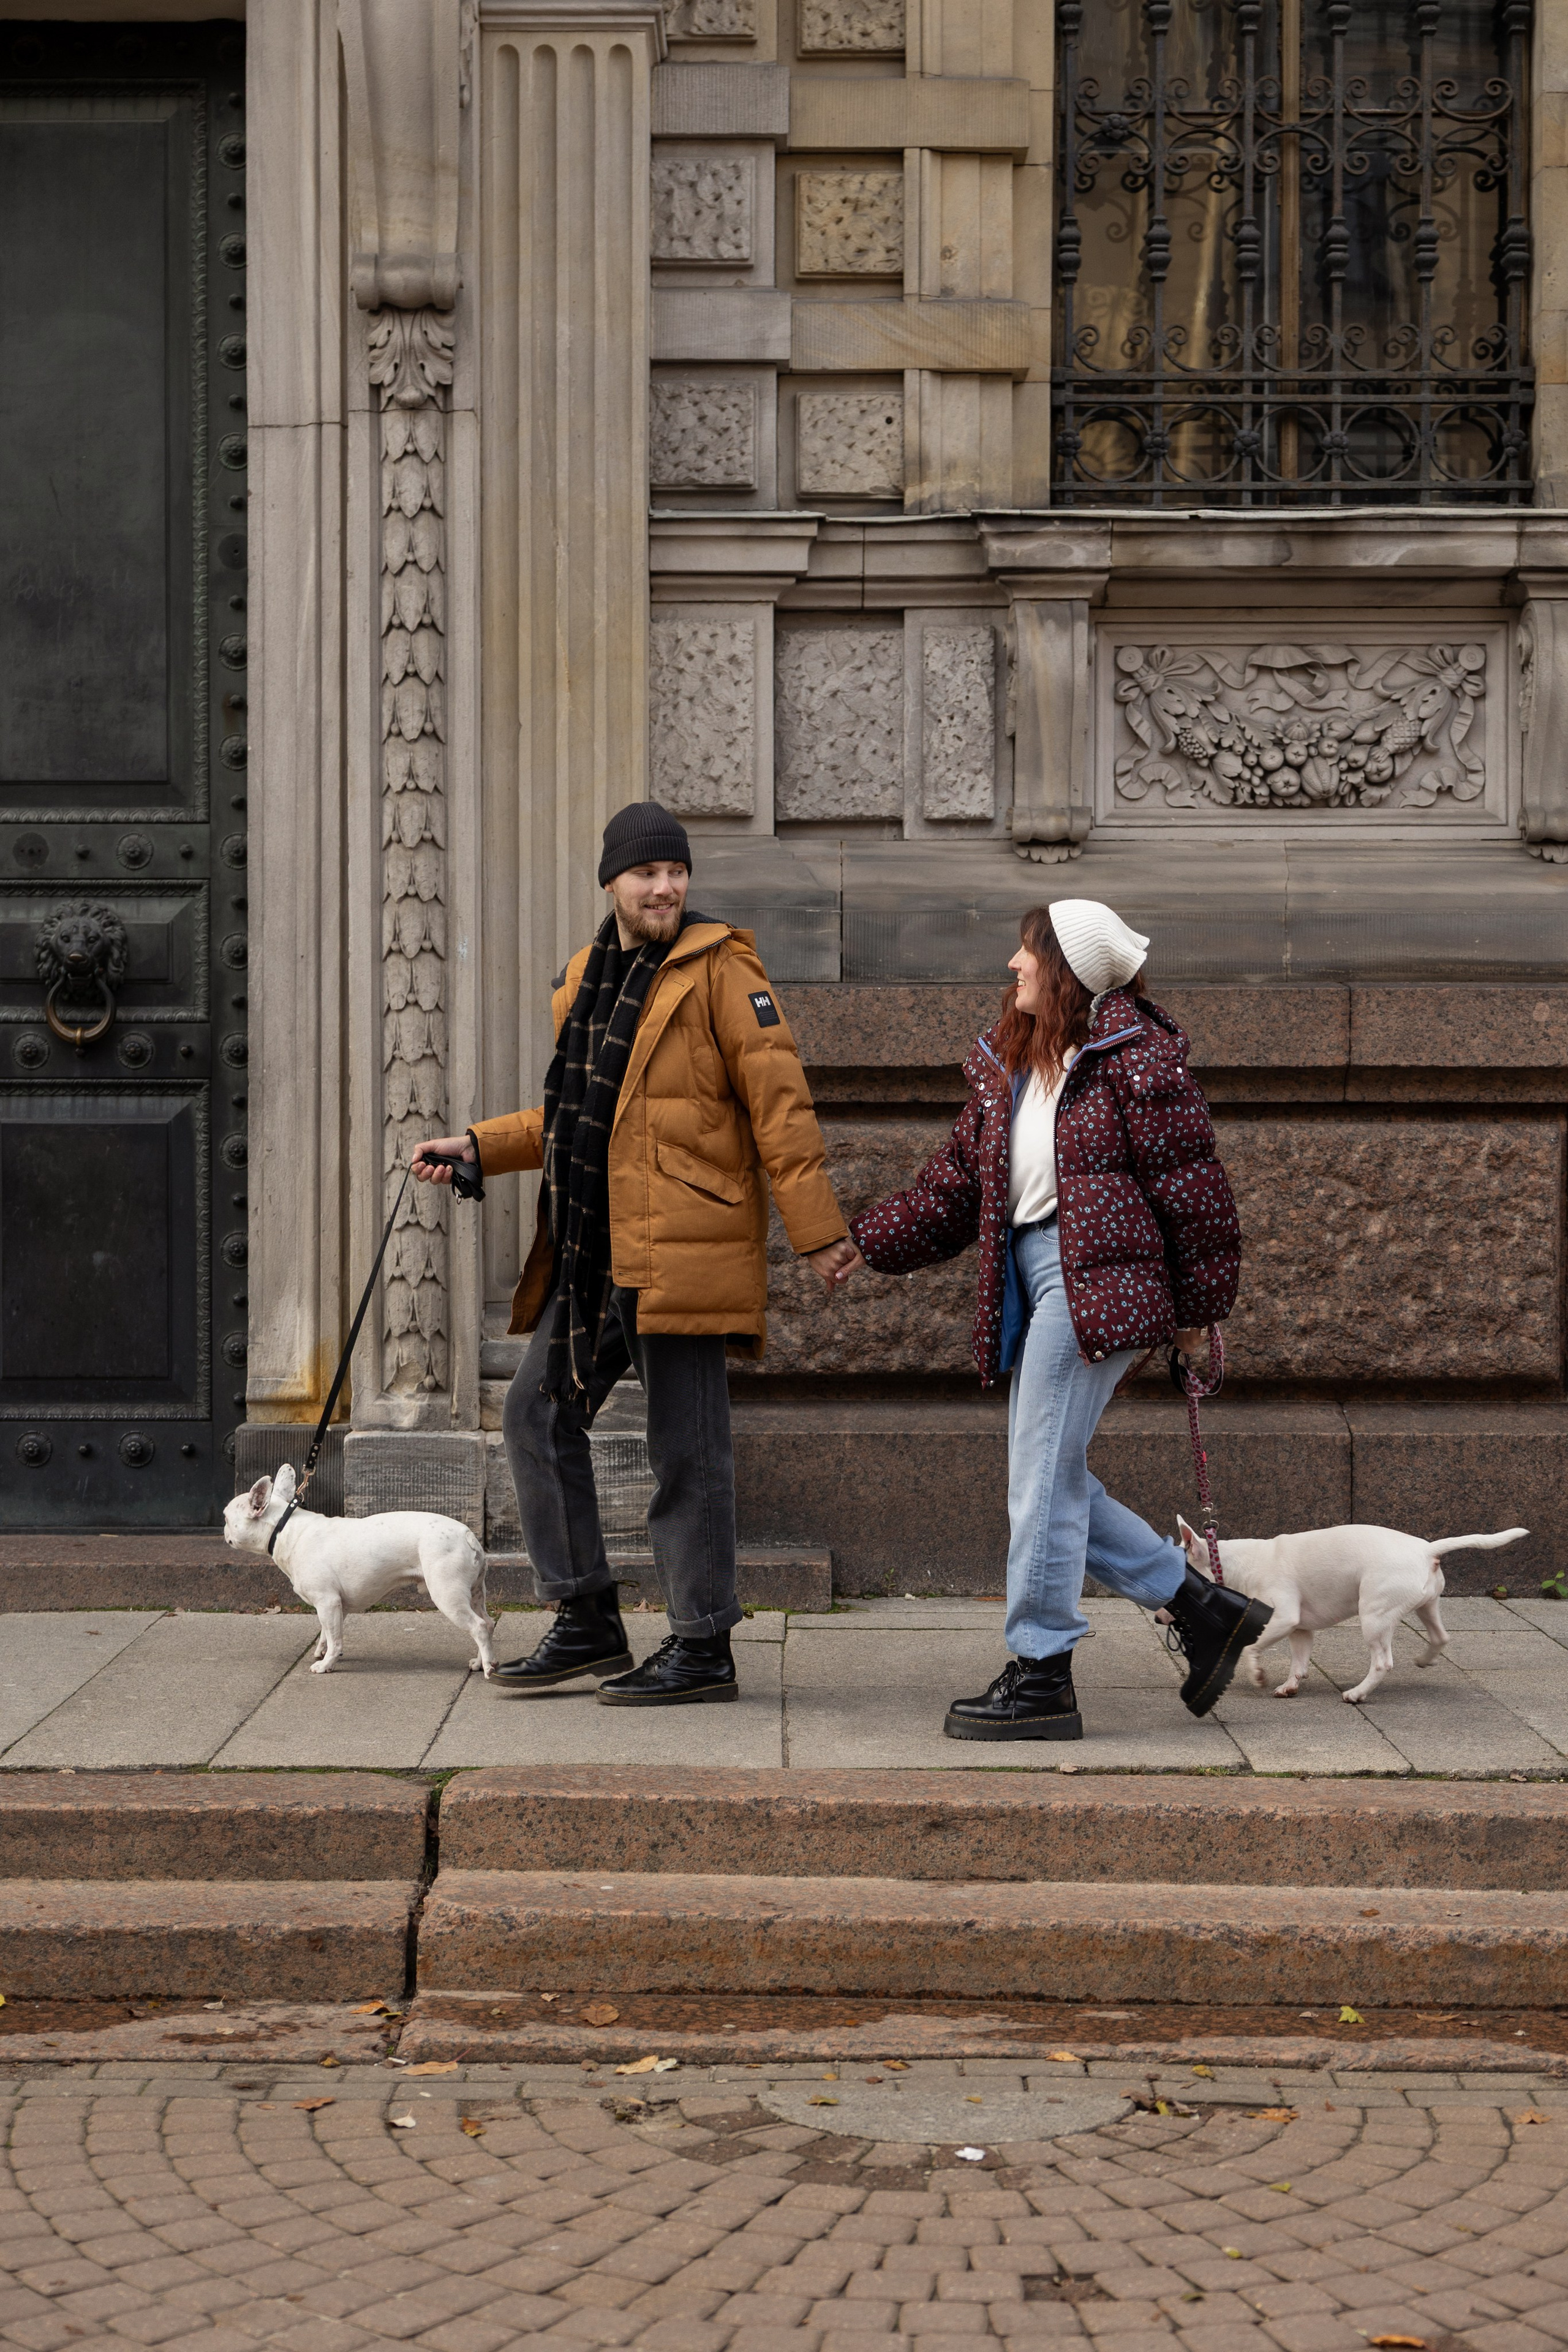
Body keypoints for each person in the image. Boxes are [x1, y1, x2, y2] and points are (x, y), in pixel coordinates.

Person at [413, 800, 858, 1707]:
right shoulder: (586, 978)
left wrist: (818, 1231)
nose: (665, 887)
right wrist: (483, 1145)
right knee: (535, 1416)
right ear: (612, 882)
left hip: (685, 1245)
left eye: (676, 872)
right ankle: (587, 1619)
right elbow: (582, 1116)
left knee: (685, 1448)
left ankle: (702, 1645)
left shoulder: (723, 970)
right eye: (647, 873)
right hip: (594, 1249)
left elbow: (781, 1104)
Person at [848, 899, 1272, 1740]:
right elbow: (953, 1189)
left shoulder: (1136, 1061)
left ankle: (1043, 1671)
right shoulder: (1015, 1066)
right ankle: (1200, 1606)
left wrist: (1196, 1319)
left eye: (1028, 952)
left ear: (1066, 970)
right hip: (1037, 1280)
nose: (1012, 965)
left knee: (1039, 1476)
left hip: (1099, 1289)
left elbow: (1198, 1201)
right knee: (1053, 1478)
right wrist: (860, 1242)